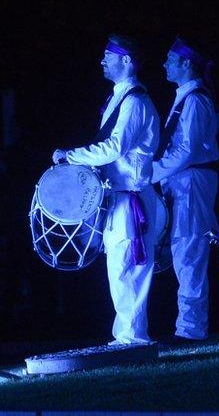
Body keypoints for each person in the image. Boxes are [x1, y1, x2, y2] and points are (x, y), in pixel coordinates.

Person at [52, 35, 162, 344]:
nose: (102, 61)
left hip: (132, 197)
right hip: (121, 196)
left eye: (107, 55)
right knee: (120, 267)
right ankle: (127, 336)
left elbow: (115, 147)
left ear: (126, 60)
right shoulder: (121, 97)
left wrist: (71, 155)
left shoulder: (135, 101)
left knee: (128, 266)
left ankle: (133, 339)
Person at [151, 37, 219, 342]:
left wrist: (149, 172)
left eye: (170, 59)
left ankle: (190, 330)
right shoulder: (186, 98)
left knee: (189, 250)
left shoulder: (195, 100)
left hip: (190, 180)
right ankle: (187, 327)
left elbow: (187, 149)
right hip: (182, 180)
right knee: (183, 251)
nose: (165, 64)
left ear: (187, 64)